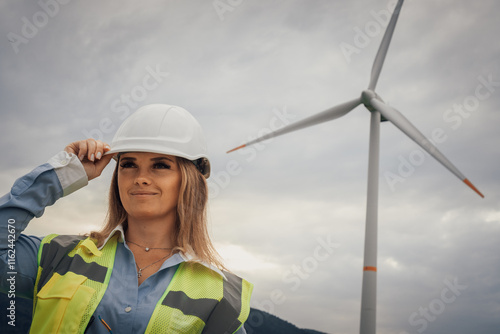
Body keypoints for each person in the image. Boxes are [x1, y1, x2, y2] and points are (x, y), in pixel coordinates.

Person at [0, 104, 253, 333]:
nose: (140, 177)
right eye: (129, 164)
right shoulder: (59, 256)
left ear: (189, 180)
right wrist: (62, 174)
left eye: (160, 165)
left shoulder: (218, 294)